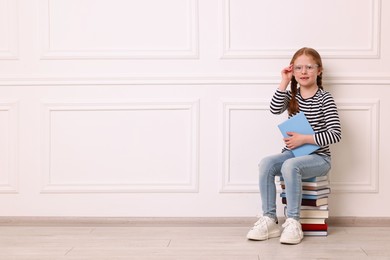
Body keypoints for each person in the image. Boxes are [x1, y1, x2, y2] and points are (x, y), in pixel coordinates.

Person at [246, 47, 342, 245]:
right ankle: (270, 219)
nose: (304, 72)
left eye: (309, 67)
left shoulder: (325, 99)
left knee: (290, 166)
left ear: (319, 71)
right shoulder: (293, 97)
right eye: (298, 68)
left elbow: (335, 134)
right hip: (294, 153)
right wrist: (284, 81)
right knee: (266, 163)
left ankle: (293, 222)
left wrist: (305, 139)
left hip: (319, 158)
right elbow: (274, 109)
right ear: (293, 71)